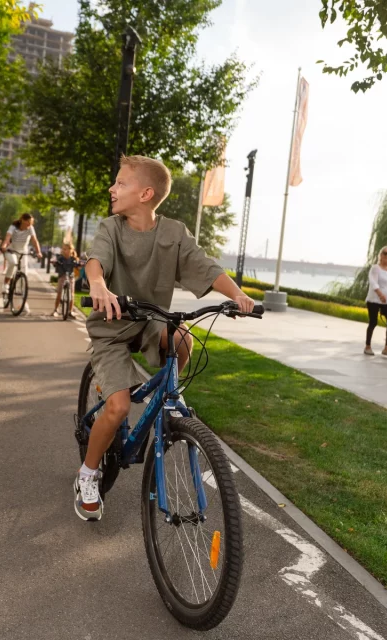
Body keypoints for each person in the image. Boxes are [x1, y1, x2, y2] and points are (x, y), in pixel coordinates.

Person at [75, 155, 255, 521]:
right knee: (119, 407)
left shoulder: (174, 233)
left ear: (146, 193)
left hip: (151, 321)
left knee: (184, 340)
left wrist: (236, 294)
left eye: (120, 183)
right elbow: (96, 261)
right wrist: (98, 286)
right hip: (112, 326)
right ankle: (87, 475)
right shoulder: (111, 227)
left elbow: (204, 265)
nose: (112, 188)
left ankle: (168, 396)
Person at [0, 213, 41, 294]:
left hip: (23, 251)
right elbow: (7, 238)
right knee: (13, 263)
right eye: (28, 222)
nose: (29, 224)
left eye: (31, 223)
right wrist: (4, 246)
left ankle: (19, 288)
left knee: (24, 271)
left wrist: (38, 252)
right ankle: (5, 284)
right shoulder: (13, 227)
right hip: (12, 250)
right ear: (22, 220)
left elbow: (34, 240)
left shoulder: (30, 228)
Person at [52, 242, 81, 318]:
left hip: (71, 276)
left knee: (72, 294)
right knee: (59, 292)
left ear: (71, 250)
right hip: (62, 276)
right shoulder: (60, 257)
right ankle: (55, 309)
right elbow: (55, 261)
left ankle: (70, 311)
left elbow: (78, 265)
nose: (64, 250)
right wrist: (54, 262)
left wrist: (80, 265)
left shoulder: (73, 259)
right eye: (63, 249)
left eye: (66, 249)